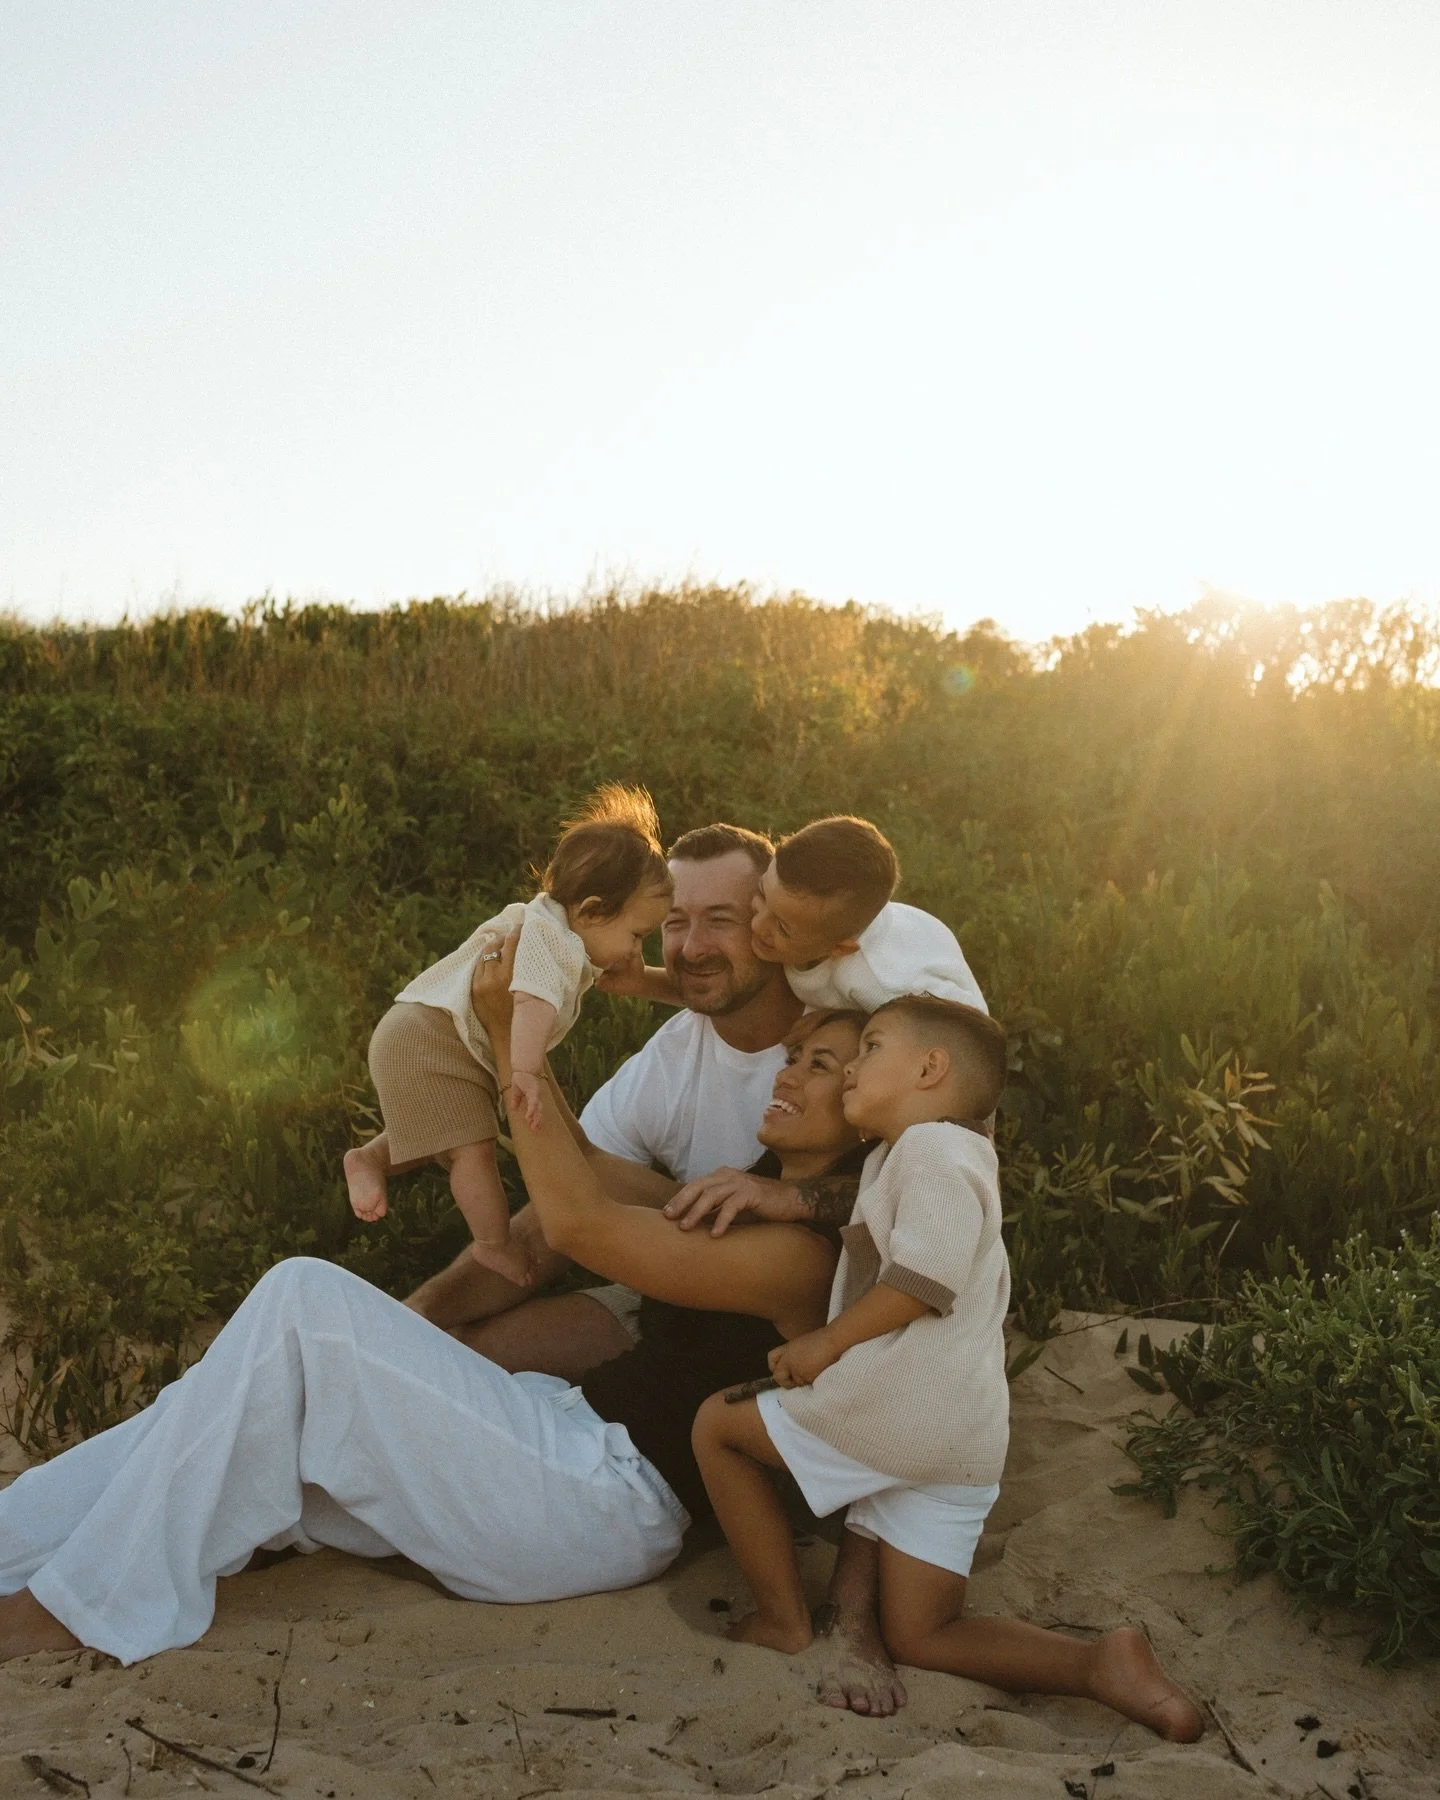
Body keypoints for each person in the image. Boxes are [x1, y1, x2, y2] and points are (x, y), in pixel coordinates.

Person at [0, 1000, 866, 1669]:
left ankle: (80, 1611)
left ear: (863, 1105)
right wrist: (518, 1037)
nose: (787, 1072)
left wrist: (498, 1022)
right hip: (554, 1437)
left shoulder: (799, 1254)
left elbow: (579, 1224)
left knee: (303, 1300)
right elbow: (586, 1161)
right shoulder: (735, 1193)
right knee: (227, 1401)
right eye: (791, 1054)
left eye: (821, 1065)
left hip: (605, 1506)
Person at [404, 822, 909, 1714]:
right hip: (679, 1293)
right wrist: (416, 1321)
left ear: (770, 921)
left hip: (826, 1333)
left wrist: (800, 1201)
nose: (692, 946)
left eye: (722, 919)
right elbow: (554, 1222)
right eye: (673, 922)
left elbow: (937, 1163)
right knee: (460, 1353)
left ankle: (849, 1612)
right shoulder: (676, 1057)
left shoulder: (854, 1049)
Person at [692, 995, 1205, 1744]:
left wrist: (826, 1343)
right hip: (961, 1440)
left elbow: (923, 1281)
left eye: (869, 1047)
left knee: (717, 1428)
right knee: (923, 1634)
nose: (853, 1068)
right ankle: (1096, 1666)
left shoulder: (931, 1148)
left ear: (931, 1069)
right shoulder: (942, 1157)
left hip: (900, 1411)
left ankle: (781, 1620)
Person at [344, 784, 671, 1283]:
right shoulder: (553, 942)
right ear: (591, 911)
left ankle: (368, 1159)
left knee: (441, 1126)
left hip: (421, 1032)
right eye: (636, 936)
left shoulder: (550, 924)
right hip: (431, 1040)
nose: (634, 952)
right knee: (471, 1149)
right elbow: (530, 1000)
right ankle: (493, 1243)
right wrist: (524, 1073)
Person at [612, 815, 984, 1019]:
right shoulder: (804, 933)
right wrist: (641, 981)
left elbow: (959, 1039)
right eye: (761, 898)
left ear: (838, 948)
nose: (759, 927)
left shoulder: (878, 984)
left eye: (782, 927)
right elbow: (726, 986)